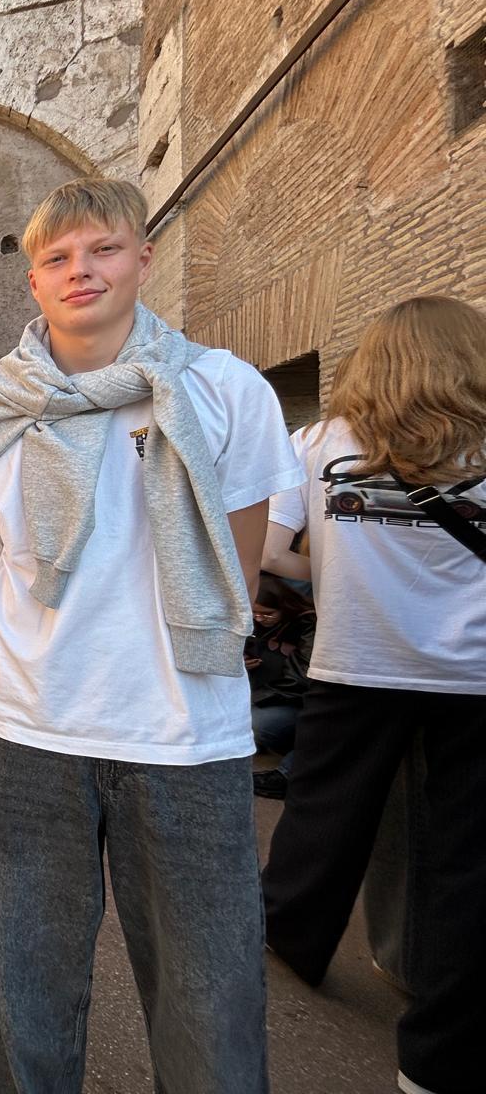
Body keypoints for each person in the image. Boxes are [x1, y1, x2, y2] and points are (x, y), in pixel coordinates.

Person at [0, 177, 299, 1094]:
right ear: (33, 281)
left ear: (143, 257)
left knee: (209, 998)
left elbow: (237, 568)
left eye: (103, 248)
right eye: (58, 257)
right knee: (28, 986)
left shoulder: (223, 390)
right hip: (34, 730)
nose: (82, 269)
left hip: (183, 733)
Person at [260, 296, 486, 1094]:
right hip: (475, 675)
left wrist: (335, 569)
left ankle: (293, 935)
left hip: (357, 661)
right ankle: (438, 1059)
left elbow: (269, 551)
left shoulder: (319, 443)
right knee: (470, 861)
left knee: (324, 815)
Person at [247, 574, 316, 799]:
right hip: (268, 694)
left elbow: (298, 680)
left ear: (284, 606)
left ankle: (287, 774)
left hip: (296, 702)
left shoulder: (308, 624)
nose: (261, 618)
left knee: (256, 722)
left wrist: (253, 700)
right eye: (255, 612)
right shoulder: (254, 622)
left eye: (268, 613)